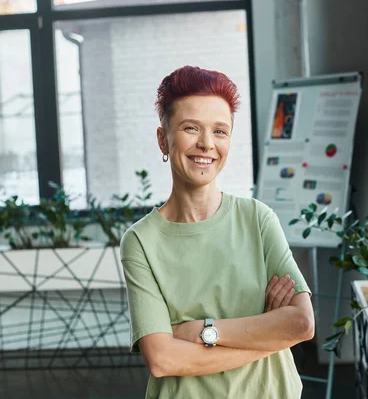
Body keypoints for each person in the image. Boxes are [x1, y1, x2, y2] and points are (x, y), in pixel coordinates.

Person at [120, 65, 314, 399]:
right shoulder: (141, 242)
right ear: (163, 139)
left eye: (220, 131)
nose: (207, 144)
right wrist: (268, 335)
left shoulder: (257, 219)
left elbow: (301, 324)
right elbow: (163, 359)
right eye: (191, 128)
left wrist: (203, 331)